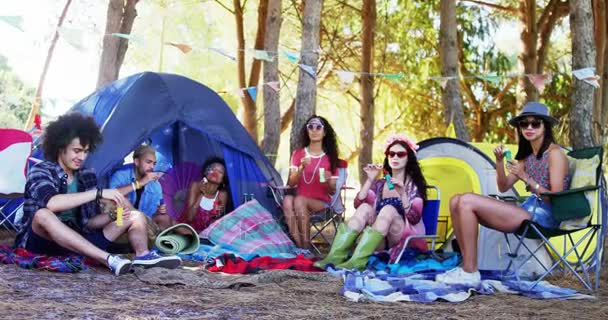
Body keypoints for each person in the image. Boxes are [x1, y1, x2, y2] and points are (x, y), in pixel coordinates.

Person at [14, 113, 182, 276]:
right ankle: (108, 259)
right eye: (77, 150)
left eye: (86, 151)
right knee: (42, 214)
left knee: (134, 216)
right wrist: (97, 193)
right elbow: (52, 203)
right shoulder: (42, 170)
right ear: (60, 147)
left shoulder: (86, 176)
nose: (82, 157)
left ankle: (143, 255)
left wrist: (112, 215)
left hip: (77, 241)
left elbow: (90, 223)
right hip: (41, 241)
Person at [436, 102, 570, 286]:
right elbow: (503, 186)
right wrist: (499, 162)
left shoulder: (555, 153)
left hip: (544, 216)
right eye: (524, 124)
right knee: (455, 200)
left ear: (545, 126)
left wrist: (525, 177)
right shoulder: (528, 156)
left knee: (466, 201)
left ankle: (470, 272)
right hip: (527, 210)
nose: (529, 127)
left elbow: (557, 196)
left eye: (535, 123)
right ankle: (466, 267)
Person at [314, 134, 428, 270]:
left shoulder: (412, 186)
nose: (395, 157)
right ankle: (335, 257)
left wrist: (403, 193)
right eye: (391, 154)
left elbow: (414, 218)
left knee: (389, 209)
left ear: (408, 158)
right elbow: (357, 204)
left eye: (400, 154)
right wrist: (370, 180)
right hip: (379, 236)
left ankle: (357, 262)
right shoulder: (381, 184)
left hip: (402, 237)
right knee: (364, 208)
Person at [283, 115, 340, 252]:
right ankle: (300, 245)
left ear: (324, 132)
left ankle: (306, 245)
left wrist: (328, 181)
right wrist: (301, 168)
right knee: (287, 200)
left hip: (322, 205)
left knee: (299, 200)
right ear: (307, 131)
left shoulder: (330, 158)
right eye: (311, 127)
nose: (314, 130)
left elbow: (332, 191)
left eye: (318, 127)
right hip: (299, 202)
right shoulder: (298, 154)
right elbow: (291, 183)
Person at [154, 157, 229, 233]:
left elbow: (216, 221)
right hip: (186, 228)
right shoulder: (195, 186)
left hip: (205, 233)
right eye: (213, 169)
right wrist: (202, 194)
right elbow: (190, 217)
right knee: (163, 219)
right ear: (206, 172)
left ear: (223, 179)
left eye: (220, 172)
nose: (215, 173)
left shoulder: (222, 195)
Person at [110, 145, 166, 217]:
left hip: (145, 224)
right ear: (136, 162)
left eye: (154, 163)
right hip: (120, 220)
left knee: (165, 218)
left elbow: (154, 214)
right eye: (148, 162)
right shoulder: (121, 174)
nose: (152, 167)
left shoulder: (155, 185)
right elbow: (111, 196)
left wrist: (160, 211)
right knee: (123, 200)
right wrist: (140, 183)